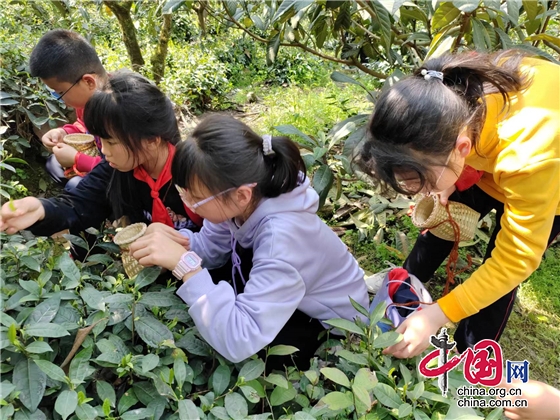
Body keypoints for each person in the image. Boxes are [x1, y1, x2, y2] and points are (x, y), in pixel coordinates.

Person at [358, 50, 560, 358]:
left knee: (500, 267)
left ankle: (472, 358)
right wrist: (447, 181)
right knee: (444, 217)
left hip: (550, 182)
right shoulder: (451, 91)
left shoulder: (530, 155)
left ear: (461, 148)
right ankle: (405, 287)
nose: (418, 192)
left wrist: (439, 315)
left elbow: (514, 261)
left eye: (420, 180)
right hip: (489, 157)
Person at [128, 115, 368, 370]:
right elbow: (210, 247)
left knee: (262, 358)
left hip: (331, 326)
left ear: (241, 195)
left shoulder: (282, 240)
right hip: (293, 298)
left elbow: (240, 339)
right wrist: (175, 240)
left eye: (195, 197)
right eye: (183, 192)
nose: (187, 202)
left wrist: (185, 265)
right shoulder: (238, 197)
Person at [0, 70, 202, 243]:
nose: (104, 150)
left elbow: (222, 239)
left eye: (112, 142)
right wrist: (41, 210)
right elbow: (77, 205)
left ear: (151, 140)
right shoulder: (117, 170)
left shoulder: (195, 174)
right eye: (101, 140)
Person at [29, 29, 108, 192]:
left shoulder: (118, 110)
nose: (62, 101)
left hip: (123, 177)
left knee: (75, 186)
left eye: (60, 93)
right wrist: (64, 133)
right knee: (53, 163)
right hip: (103, 164)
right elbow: (83, 126)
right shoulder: (87, 102)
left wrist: (78, 159)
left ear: (88, 82)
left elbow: (121, 168)